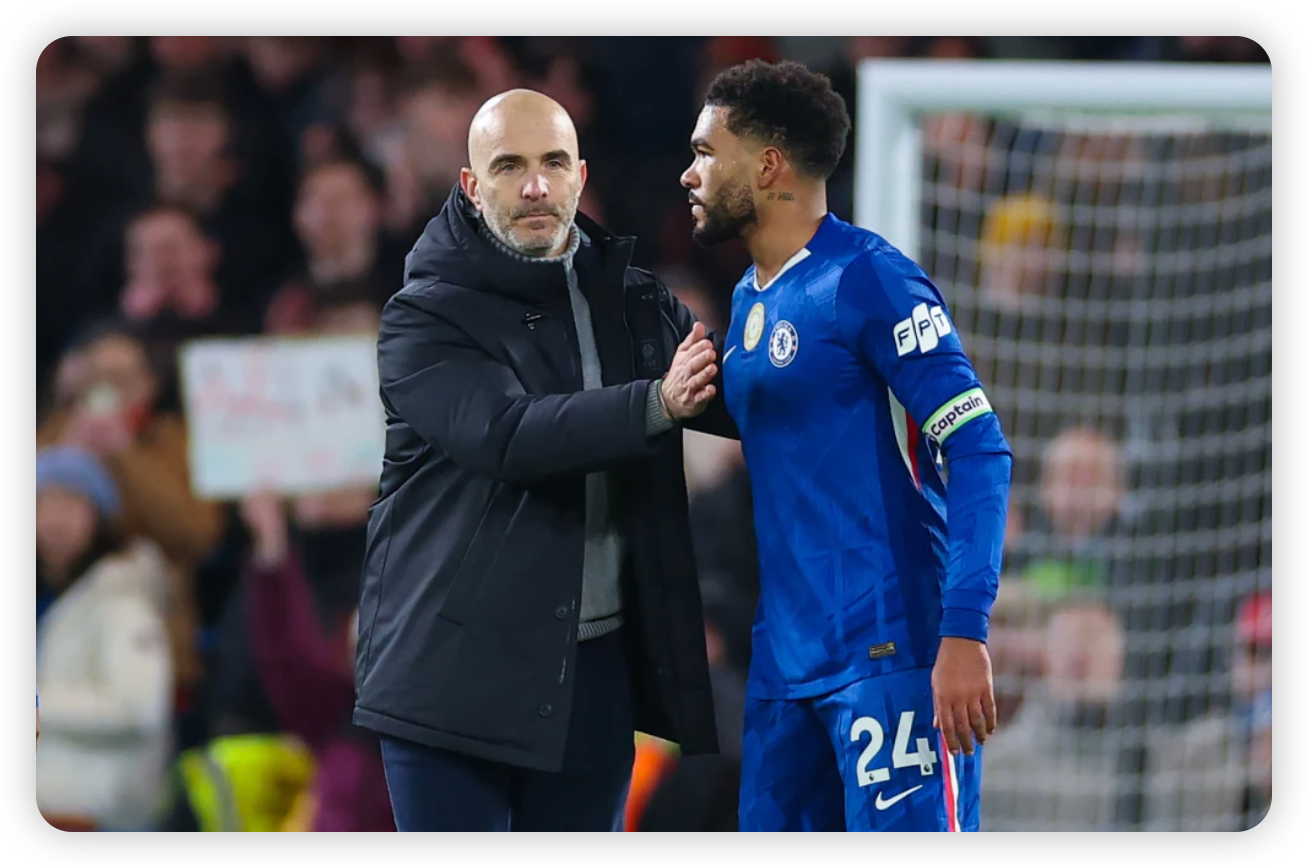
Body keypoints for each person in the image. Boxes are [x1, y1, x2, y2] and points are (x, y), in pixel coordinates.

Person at [353, 88, 738, 832]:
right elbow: (507, 436)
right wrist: (656, 403)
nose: (536, 186)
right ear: (471, 185)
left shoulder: (633, 299)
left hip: (593, 675)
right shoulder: (423, 315)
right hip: (451, 679)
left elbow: (732, 390)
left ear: (580, 176)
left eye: (554, 163)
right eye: (509, 166)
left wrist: (855, 374)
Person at [680, 60, 1013, 832]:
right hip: (784, 669)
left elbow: (979, 449)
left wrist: (964, 630)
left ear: (768, 165)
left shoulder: (869, 279)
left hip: (892, 653)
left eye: (705, 152)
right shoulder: (750, 298)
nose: (689, 174)